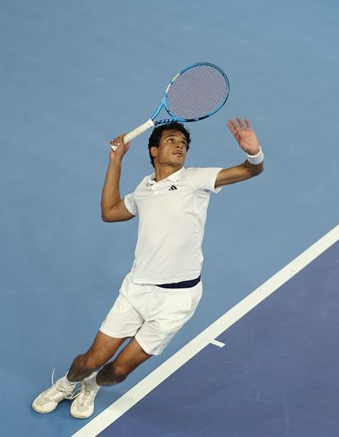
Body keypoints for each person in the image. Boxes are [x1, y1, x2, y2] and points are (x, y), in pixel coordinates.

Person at [32, 117, 264, 419]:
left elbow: (250, 170)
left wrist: (254, 153)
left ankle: (92, 386)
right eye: (171, 140)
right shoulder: (144, 187)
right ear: (154, 151)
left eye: (183, 143)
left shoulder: (196, 179)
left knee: (117, 371)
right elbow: (110, 212)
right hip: (137, 290)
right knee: (91, 359)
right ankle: (66, 383)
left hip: (177, 300)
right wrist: (115, 160)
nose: (179, 145)